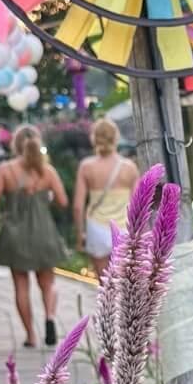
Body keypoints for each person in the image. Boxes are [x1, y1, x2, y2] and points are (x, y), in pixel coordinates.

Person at [0, 123, 67, 346]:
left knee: (21, 286)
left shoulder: (5, 170)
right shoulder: (48, 171)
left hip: (15, 235)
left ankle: (31, 336)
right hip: (44, 233)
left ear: (15, 145)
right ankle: (50, 317)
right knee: (47, 283)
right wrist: (45, 201)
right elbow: (63, 201)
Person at [74, 117, 138, 279]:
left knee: (105, 285)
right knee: (124, 284)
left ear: (94, 139)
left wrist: (80, 235)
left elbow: (78, 206)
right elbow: (138, 207)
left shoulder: (86, 167)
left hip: (96, 228)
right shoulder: (130, 168)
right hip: (123, 229)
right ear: (116, 138)